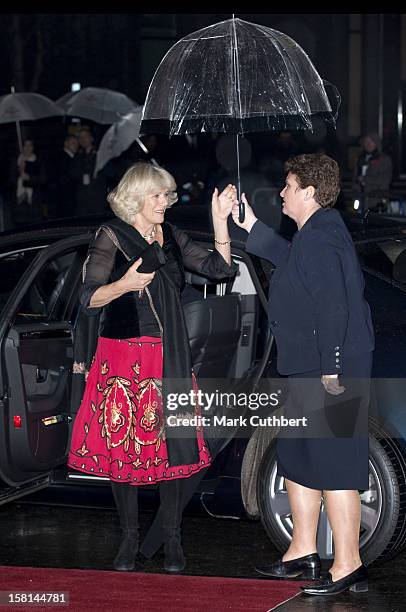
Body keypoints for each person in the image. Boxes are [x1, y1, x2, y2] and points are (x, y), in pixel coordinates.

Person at [67, 162, 237, 574]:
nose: (165, 201)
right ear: (136, 197)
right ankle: (128, 538)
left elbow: (220, 268)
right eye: (158, 195)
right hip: (122, 356)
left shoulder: (171, 236)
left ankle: (173, 540)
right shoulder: (111, 235)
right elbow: (87, 298)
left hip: (169, 355)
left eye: (167, 194)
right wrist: (124, 284)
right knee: (123, 449)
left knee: (172, 448)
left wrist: (220, 223)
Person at [232, 153, 374, 596]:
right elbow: (287, 256)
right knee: (298, 456)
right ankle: (303, 550)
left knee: (333, 463)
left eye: (288, 185)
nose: (282, 192)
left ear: (310, 192)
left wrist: (331, 368)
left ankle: (348, 563)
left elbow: (334, 306)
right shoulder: (313, 234)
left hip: (329, 368)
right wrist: (250, 224)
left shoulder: (322, 237)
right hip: (307, 366)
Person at [70, 127, 108, 216]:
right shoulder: (78, 156)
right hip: (82, 200)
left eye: (85, 136)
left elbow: (111, 172)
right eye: (80, 137)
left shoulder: (99, 153)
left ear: (91, 138)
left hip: (98, 199)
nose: (83, 139)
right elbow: (72, 173)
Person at [352, 132, 393, 213]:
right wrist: (355, 188)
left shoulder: (384, 159)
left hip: (377, 200)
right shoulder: (361, 159)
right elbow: (355, 177)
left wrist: (365, 179)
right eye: (366, 142)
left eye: (371, 141)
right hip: (361, 200)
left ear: (376, 143)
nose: (368, 144)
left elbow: (385, 179)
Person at [12, 139, 47, 225]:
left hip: (34, 203)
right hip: (19, 204)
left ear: (33, 148)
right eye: (25, 146)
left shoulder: (38, 162)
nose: (27, 148)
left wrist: (29, 177)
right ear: (22, 147)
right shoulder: (15, 162)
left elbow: (43, 179)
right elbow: (10, 181)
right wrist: (19, 171)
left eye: (30, 145)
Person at [48, 135, 79, 218]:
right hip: (63, 199)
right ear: (66, 143)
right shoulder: (62, 158)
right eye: (73, 143)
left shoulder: (73, 157)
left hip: (65, 199)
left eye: (77, 143)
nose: (76, 145)